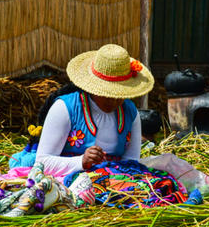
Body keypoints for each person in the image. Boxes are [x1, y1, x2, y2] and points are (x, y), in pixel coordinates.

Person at [34, 44, 154, 178]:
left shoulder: (130, 113)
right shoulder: (65, 108)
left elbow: (132, 161)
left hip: (116, 180)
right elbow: (42, 162)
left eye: (119, 95)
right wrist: (81, 161)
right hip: (70, 178)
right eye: (107, 94)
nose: (113, 101)